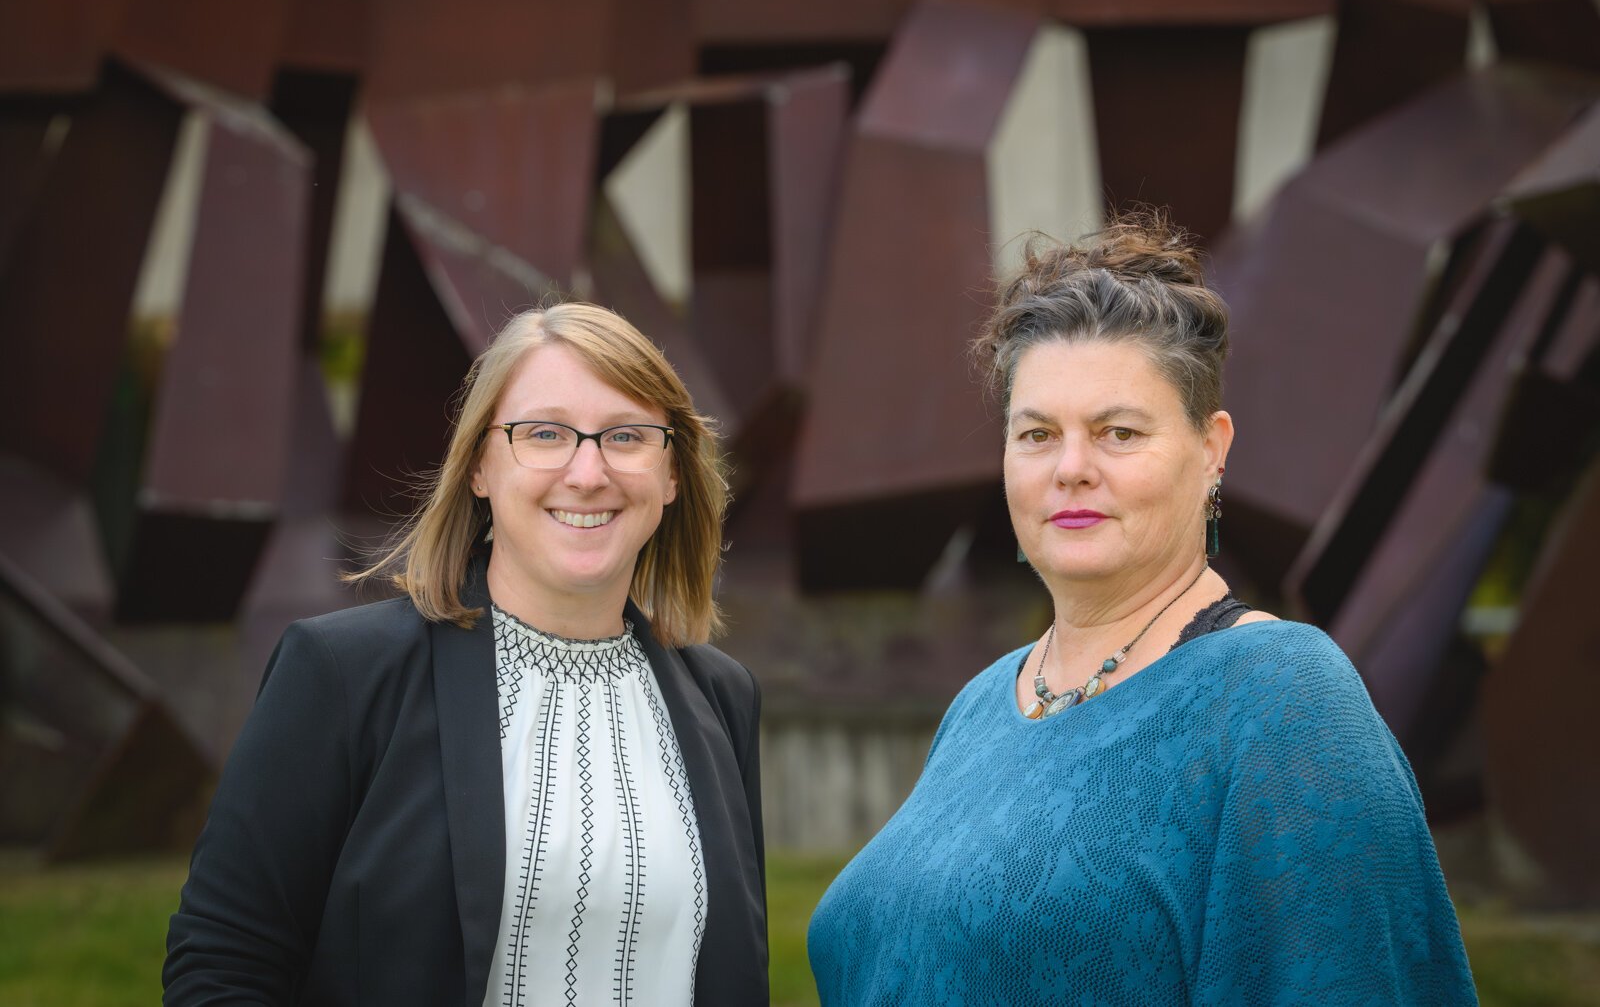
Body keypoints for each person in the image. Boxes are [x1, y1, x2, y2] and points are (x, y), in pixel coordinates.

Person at [807, 212, 1477, 1005]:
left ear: (1211, 449)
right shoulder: (984, 704)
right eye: (1036, 434)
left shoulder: (1284, 701)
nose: (1072, 468)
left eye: (1118, 432)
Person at [165, 301, 767, 1006]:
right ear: (481, 464)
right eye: (544, 433)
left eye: (627, 436)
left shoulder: (722, 698)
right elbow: (223, 964)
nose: (587, 471)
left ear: (670, 474)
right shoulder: (343, 676)